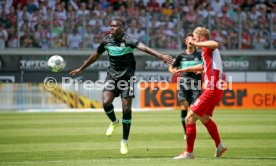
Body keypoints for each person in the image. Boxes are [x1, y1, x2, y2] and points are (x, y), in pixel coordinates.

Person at [69, 18, 174, 155]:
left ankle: (124, 141)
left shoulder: (129, 40)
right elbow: (95, 56)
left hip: (127, 78)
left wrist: (160, 56)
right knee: (106, 102)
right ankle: (114, 121)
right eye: (111, 26)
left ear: (123, 28)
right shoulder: (106, 40)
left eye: (115, 26)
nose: (112, 28)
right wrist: (81, 68)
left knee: (126, 108)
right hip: (112, 77)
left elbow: (144, 48)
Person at [173, 27, 227, 159]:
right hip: (214, 89)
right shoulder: (206, 51)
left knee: (189, 118)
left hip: (212, 89)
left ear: (202, 38)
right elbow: (203, 67)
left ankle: (189, 153)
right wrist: (186, 68)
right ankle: (220, 146)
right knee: (204, 118)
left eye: (196, 38)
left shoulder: (208, 47)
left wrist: (195, 43)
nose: (193, 41)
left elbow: (215, 43)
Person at [168, 33, 203, 140]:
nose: (191, 42)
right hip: (183, 82)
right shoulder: (181, 55)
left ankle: (191, 129)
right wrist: (174, 72)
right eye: (189, 40)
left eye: (193, 40)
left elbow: (205, 67)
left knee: (193, 109)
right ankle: (186, 133)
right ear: (186, 42)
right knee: (184, 106)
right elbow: (171, 67)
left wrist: (200, 71)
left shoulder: (200, 55)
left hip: (195, 83)